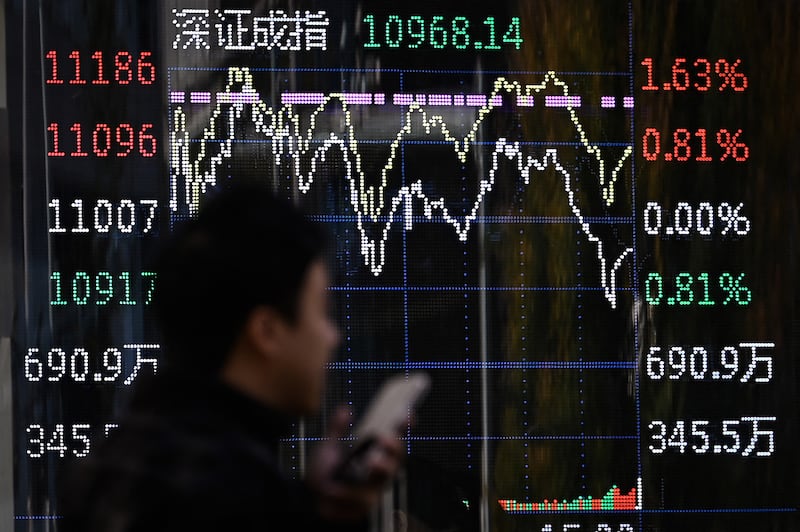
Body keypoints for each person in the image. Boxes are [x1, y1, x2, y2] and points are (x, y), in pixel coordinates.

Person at [61, 185, 404, 531]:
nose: (334, 337)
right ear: (266, 331)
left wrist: (314, 505)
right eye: (323, 313)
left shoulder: (117, 463)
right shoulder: (229, 496)